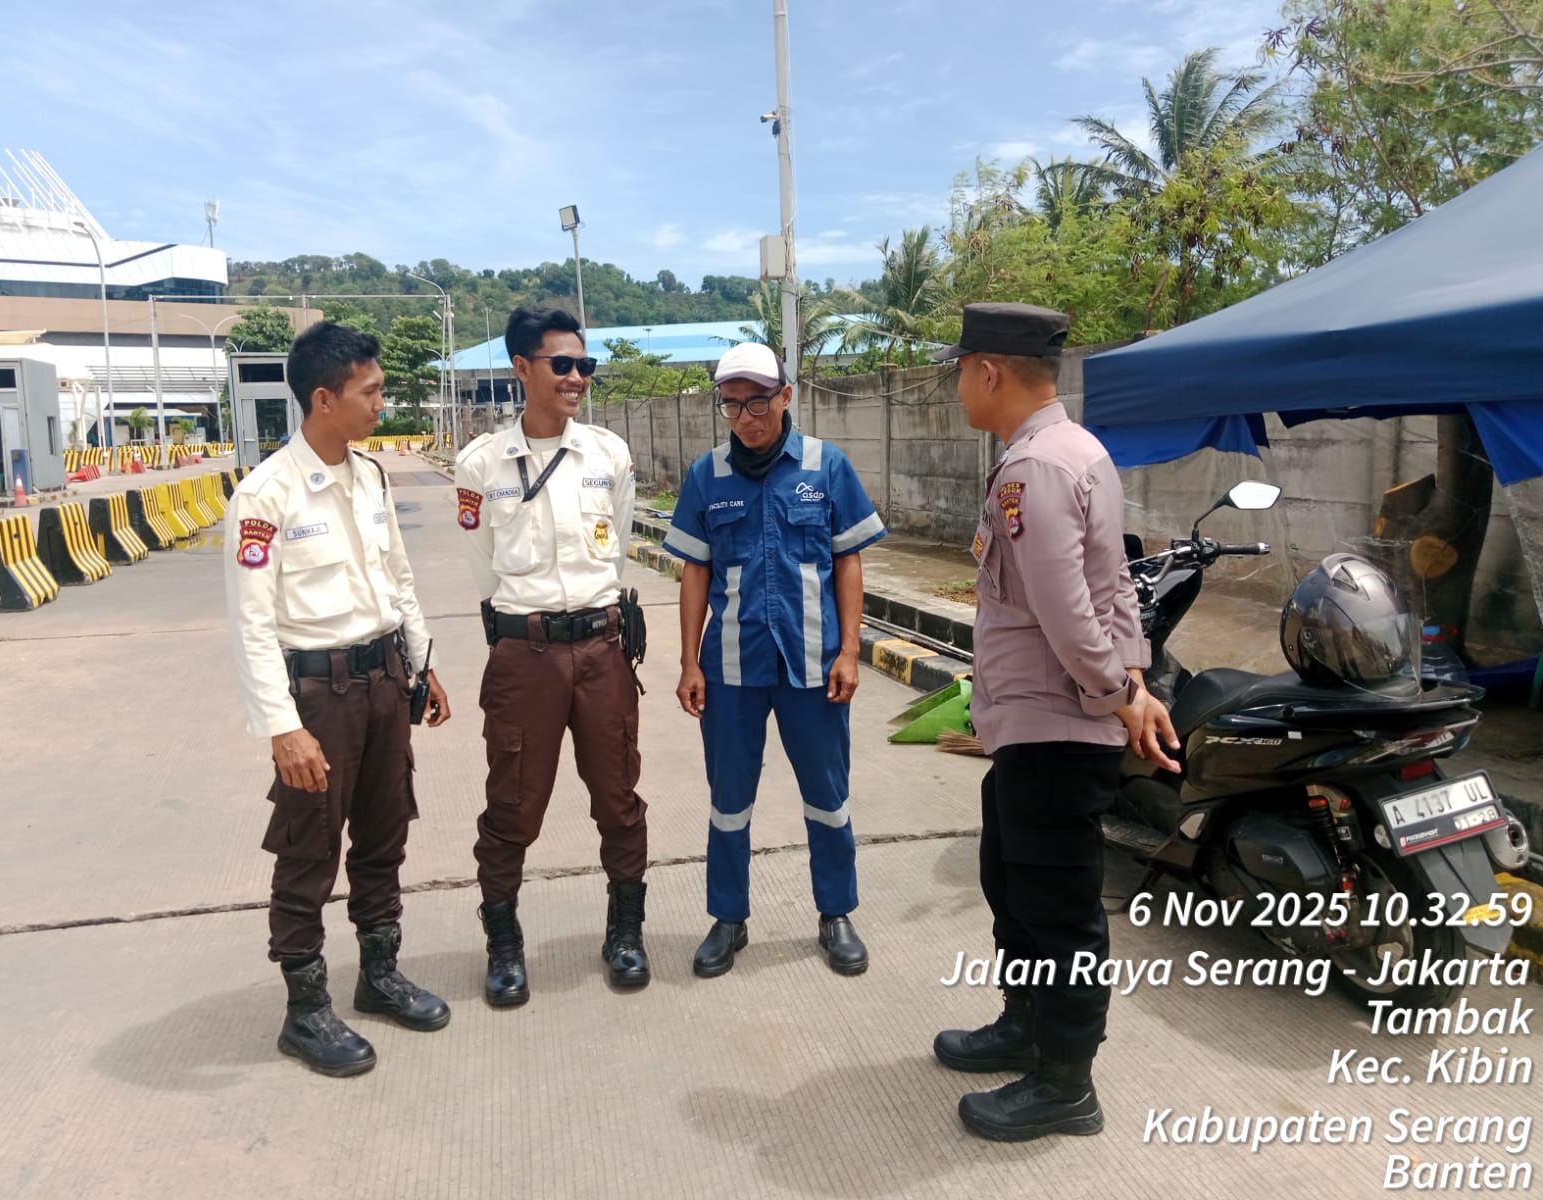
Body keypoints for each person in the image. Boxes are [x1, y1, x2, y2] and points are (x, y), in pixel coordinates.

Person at [927, 302, 1179, 1140]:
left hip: (1055, 726)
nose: (959, 386)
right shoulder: (1081, 451)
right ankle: (1026, 1025)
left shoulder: (1032, 467)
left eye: (961, 371)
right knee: (1013, 883)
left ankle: (1066, 1082)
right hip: (1036, 726)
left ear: (989, 371)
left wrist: (1117, 691)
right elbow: (1118, 584)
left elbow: (1067, 608)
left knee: (1057, 909)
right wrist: (1133, 675)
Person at [225, 320, 453, 1078]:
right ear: (323, 399)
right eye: (371, 391)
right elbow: (251, 625)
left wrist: (421, 662)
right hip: (318, 696)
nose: (381, 403)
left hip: (385, 679)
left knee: (385, 833)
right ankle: (305, 1010)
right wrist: (282, 728)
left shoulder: (371, 476)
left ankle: (379, 975)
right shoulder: (266, 495)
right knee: (310, 848)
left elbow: (397, 578)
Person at [663, 343, 887, 978]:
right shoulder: (707, 475)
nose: (745, 417)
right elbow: (694, 571)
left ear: (786, 397)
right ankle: (728, 918)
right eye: (731, 405)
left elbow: (847, 560)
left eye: (757, 402)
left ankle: (836, 913)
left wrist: (850, 651)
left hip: (814, 666)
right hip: (732, 670)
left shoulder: (826, 466)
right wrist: (689, 662)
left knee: (828, 796)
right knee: (729, 800)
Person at [455, 304, 648, 1005]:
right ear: (521, 367)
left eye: (584, 365)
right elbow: (484, 569)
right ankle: (504, 943)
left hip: (601, 650)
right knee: (513, 804)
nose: (576, 378)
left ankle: (625, 933)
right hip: (524, 655)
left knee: (618, 797)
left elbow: (615, 549)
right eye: (561, 364)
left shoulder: (609, 454)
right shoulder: (481, 465)